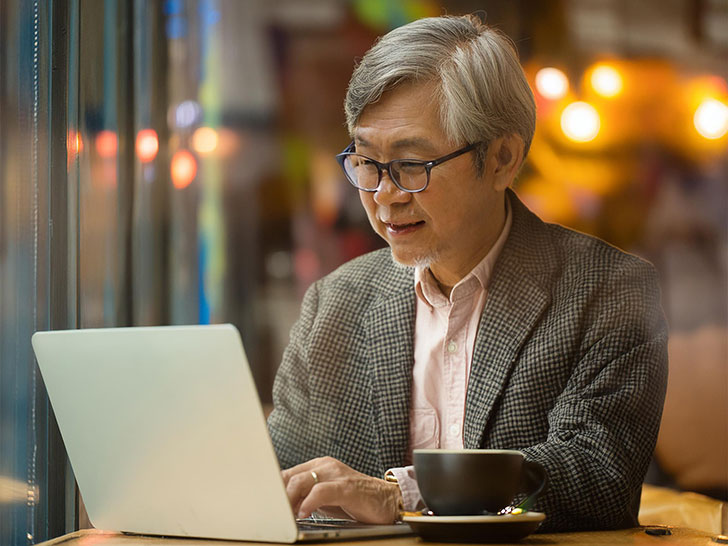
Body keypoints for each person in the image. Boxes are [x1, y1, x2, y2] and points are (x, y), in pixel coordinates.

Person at [267, 14, 668, 532]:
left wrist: (401, 496)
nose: (385, 194)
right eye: (366, 162)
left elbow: (596, 475)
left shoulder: (607, 291)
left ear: (502, 158)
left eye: (412, 164)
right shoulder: (336, 302)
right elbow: (281, 473)